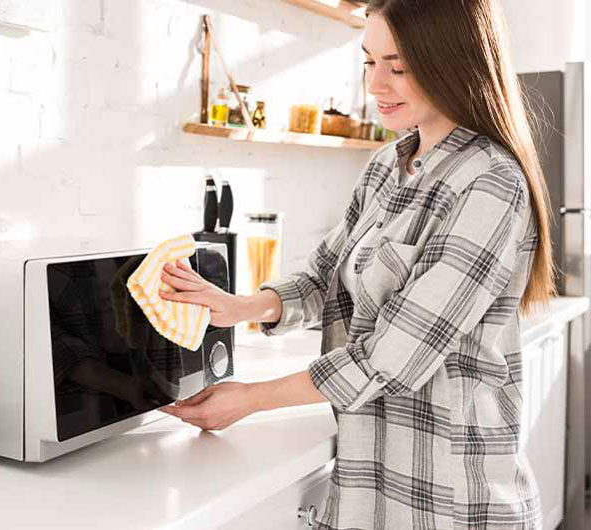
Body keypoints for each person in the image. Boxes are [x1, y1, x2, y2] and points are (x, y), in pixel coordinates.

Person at [158, 0, 555, 528]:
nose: (376, 85)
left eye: (400, 67)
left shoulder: (490, 183)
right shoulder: (384, 168)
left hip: (452, 497)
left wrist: (252, 399)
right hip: (370, 486)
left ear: (456, 62)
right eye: (369, 61)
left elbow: (395, 356)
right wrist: (240, 306)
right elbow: (326, 274)